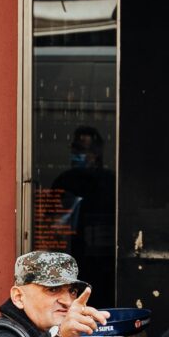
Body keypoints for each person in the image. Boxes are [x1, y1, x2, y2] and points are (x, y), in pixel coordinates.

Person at [48, 126, 116, 296]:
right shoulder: (64, 181)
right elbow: (51, 225)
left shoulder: (111, 182)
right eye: (75, 148)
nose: (76, 153)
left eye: (83, 149)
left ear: (96, 153)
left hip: (108, 262)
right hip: (73, 259)